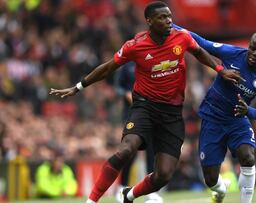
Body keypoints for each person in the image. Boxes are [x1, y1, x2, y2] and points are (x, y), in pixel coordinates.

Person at [49, 2, 240, 203]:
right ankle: (92, 201)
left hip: (172, 113)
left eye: (169, 16)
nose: (169, 21)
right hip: (145, 107)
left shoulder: (182, 37)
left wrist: (219, 70)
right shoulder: (135, 45)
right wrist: (78, 86)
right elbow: (107, 68)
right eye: (163, 18)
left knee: (163, 175)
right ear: (149, 21)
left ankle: (128, 195)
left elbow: (199, 52)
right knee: (126, 151)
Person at [172, 24, 256, 203]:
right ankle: (220, 191)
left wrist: (248, 111)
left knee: (247, 156)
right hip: (212, 118)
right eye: (252, 48)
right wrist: (172, 26)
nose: (253, 53)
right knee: (210, 178)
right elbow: (201, 42)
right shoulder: (232, 53)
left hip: (238, 120)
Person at [113, 62, 162, 202]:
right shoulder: (126, 66)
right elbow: (118, 87)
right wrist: (126, 93)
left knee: (151, 152)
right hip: (131, 113)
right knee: (130, 152)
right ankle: (122, 187)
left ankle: (151, 189)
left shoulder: (151, 62)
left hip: (150, 113)